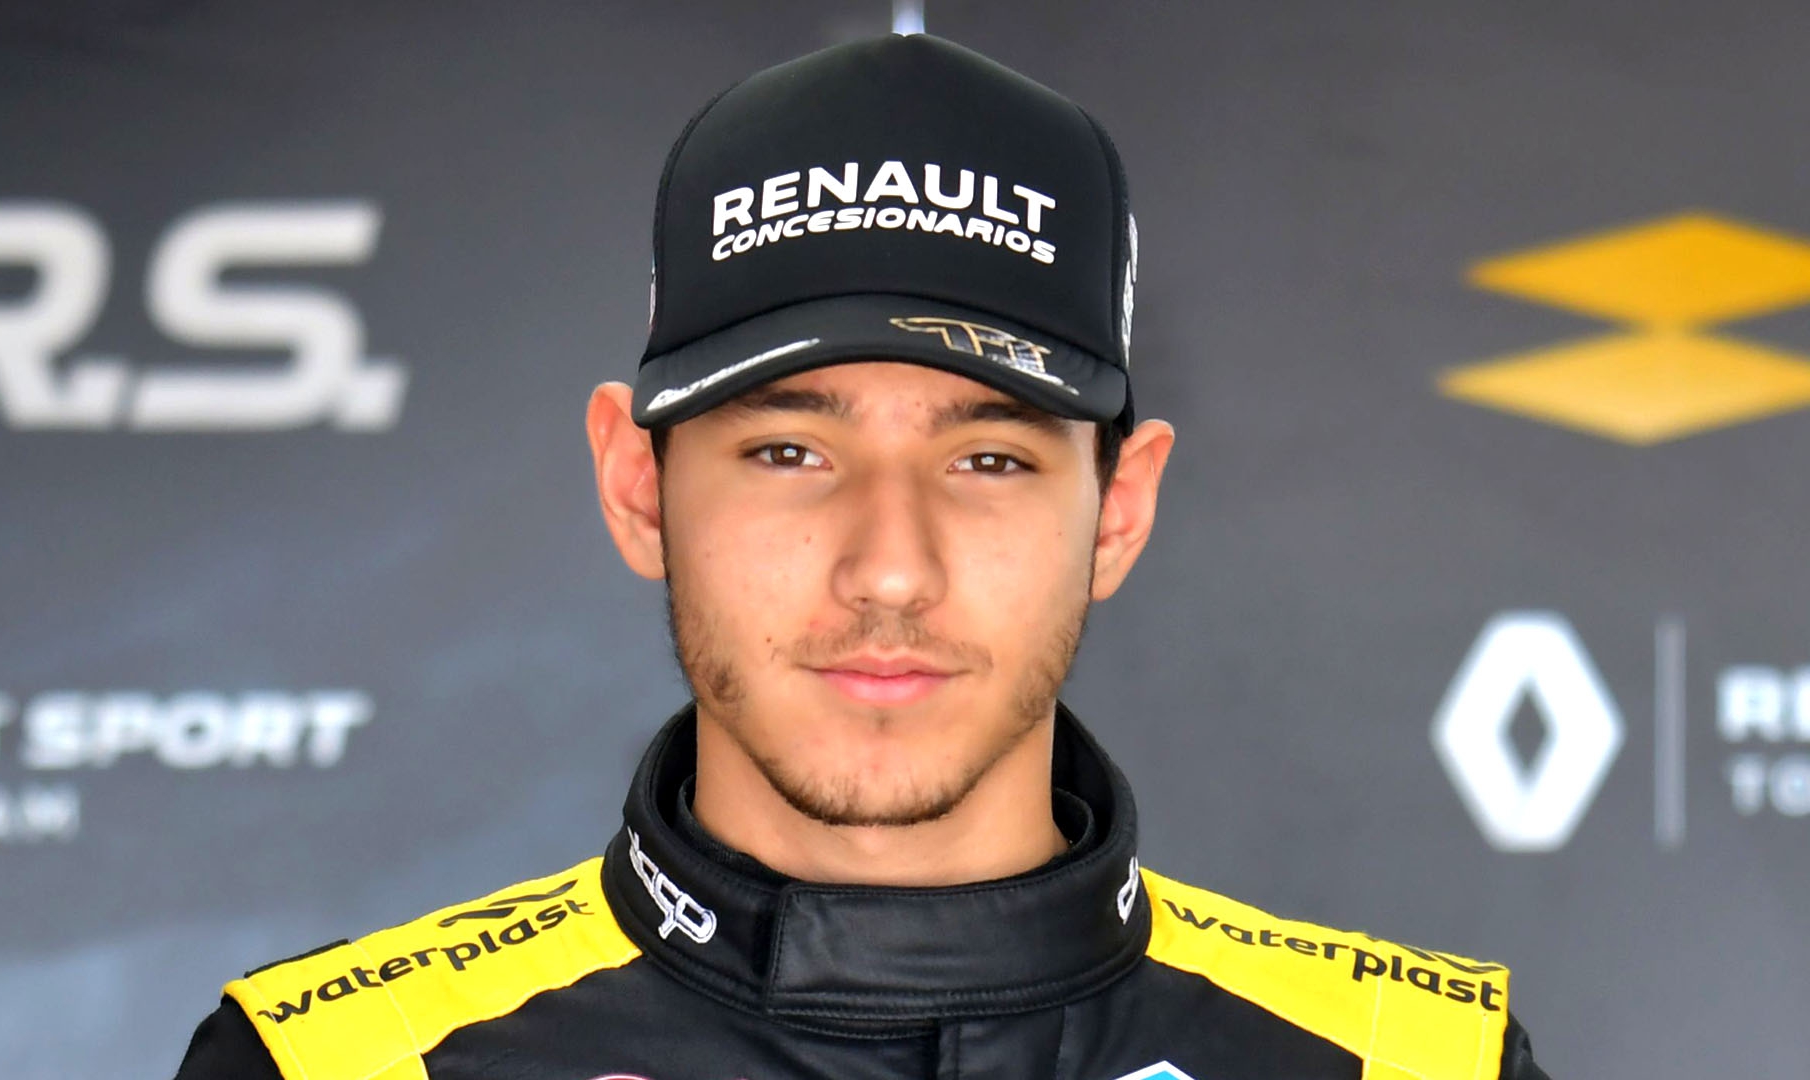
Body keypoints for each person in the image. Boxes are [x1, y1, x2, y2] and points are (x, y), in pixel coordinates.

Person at [174, 33, 1550, 1080]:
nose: (890, 571)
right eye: (790, 451)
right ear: (636, 485)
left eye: (989, 459)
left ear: (1120, 511)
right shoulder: (332, 1066)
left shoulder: (1420, 1065)